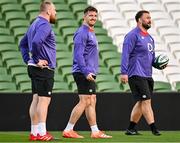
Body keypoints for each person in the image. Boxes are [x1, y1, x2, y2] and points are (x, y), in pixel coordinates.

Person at [62, 6, 112, 139]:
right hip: (83, 72)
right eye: (91, 15)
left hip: (89, 72)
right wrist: (85, 72)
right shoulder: (82, 32)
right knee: (84, 101)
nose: (93, 18)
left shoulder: (90, 31)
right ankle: (68, 129)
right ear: (84, 16)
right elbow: (78, 55)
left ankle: (95, 131)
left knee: (91, 100)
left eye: (95, 16)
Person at [19, 0, 57, 141]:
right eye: (54, 10)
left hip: (34, 68)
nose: (55, 13)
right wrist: (35, 59)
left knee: (36, 99)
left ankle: (34, 133)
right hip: (43, 68)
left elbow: (22, 44)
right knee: (44, 100)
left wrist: (28, 60)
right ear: (48, 11)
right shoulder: (44, 24)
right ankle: (42, 133)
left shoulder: (34, 24)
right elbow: (35, 42)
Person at [120, 10, 161, 136]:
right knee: (146, 101)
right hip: (136, 74)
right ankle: (154, 128)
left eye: (150, 18)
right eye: (147, 18)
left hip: (147, 74)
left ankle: (131, 128)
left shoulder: (150, 38)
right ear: (139, 20)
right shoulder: (132, 35)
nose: (150, 20)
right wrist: (124, 72)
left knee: (141, 102)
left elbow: (151, 58)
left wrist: (159, 64)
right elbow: (125, 54)